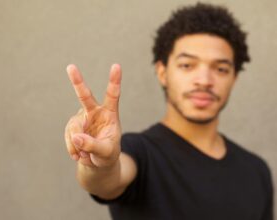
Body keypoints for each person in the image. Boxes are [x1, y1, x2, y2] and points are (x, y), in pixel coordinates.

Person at [64, 3, 274, 220]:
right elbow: (107, 180)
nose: (204, 80)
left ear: (234, 78)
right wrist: (100, 165)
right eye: (187, 65)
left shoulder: (256, 171)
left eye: (221, 69)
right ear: (162, 72)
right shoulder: (139, 152)